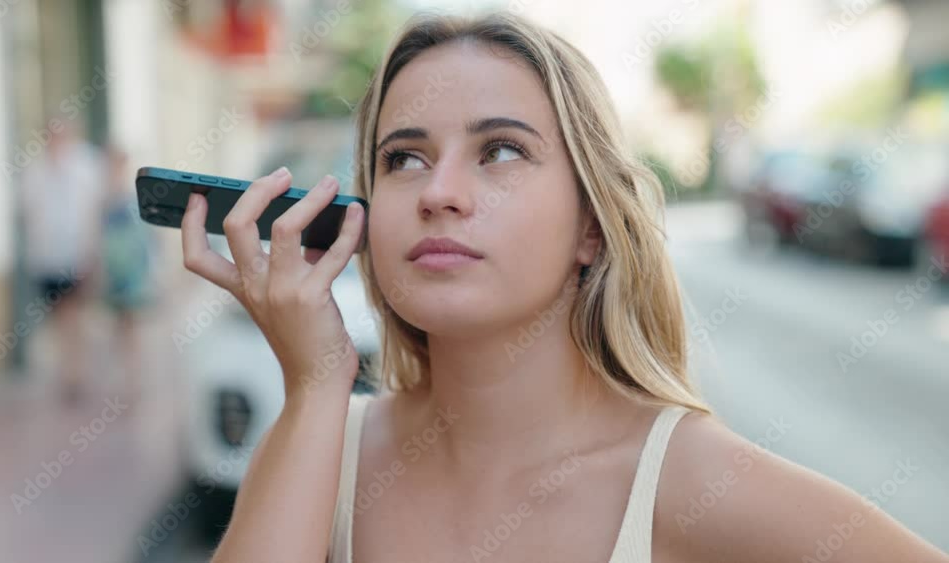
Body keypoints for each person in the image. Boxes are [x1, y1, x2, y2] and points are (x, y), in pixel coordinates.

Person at [179, 11, 949, 563]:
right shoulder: (325, 446)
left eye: (501, 151)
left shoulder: (689, 480)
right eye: (404, 159)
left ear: (591, 224)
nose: (438, 191)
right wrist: (314, 381)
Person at [19, 120, 105, 406]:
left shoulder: (84, 166)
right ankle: (68, 371)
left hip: (76, 254)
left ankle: (76, 372)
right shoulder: (35, 171)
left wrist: (91, 253)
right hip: (47, 258)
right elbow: (29, 213)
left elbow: (93, 211)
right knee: (60, 317)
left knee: (74, 315)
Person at [99, 145, 157, 402]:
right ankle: (123, 378)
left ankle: (133, 379)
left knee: (130, 325)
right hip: (114, 269)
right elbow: (97, 235)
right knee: (117, 326)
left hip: (131, 269)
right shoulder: (104, 199)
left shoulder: (132, 197)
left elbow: (146, 235)